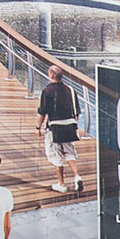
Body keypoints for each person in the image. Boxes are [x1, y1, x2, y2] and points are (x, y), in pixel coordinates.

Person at [37, 65, 83, 194]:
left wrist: (38, 127)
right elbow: (77, 113)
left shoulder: (47, 91)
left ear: (51, 75)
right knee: (70, 153)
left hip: (54, 128)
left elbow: (42, 112)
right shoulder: (71, 90)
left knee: (55, 155)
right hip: (70, 126)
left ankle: (61, 184)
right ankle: (76, 176)